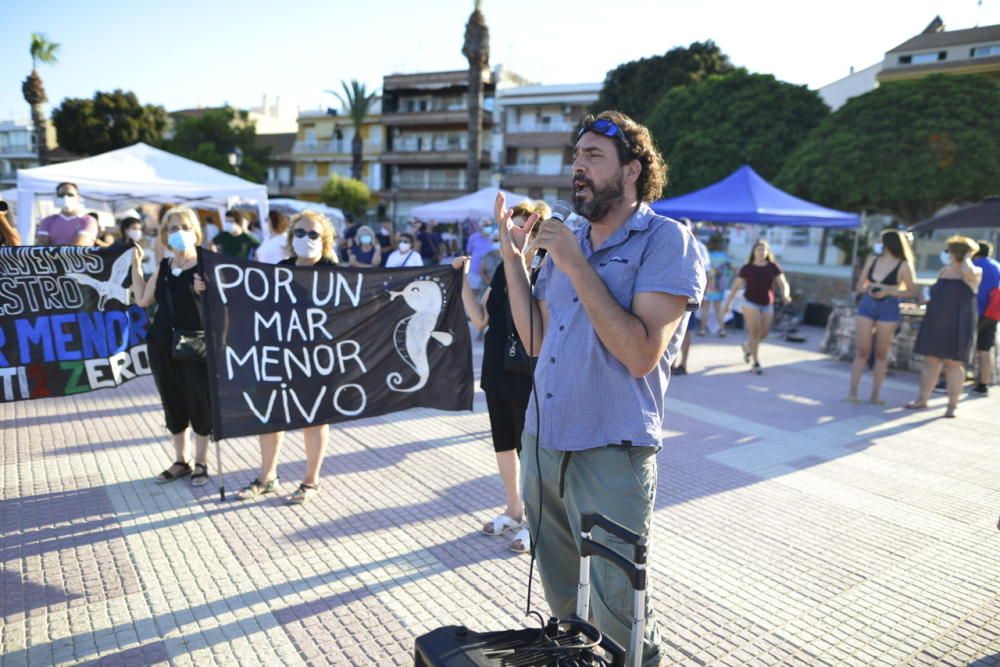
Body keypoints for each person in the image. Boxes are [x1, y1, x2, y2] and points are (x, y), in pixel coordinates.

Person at [502, 111, 705, 666]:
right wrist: (513, 260)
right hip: (544, 442)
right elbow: (536, 339)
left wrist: (574, 262)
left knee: (620, 609)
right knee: (565, 604)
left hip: (612, 450)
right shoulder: (568, 237)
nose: (578, 169)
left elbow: (640, 354)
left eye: (593, 157)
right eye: (577, 158)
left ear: (632, 170)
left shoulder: (667, 243)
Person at [454, 199, 550, 554]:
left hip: (530, 371)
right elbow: (480, 319)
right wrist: (462, 282)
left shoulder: (547, 273)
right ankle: (514, 510)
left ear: (540, 234)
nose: (521, 234)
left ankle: (538, 522)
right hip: (497, 365)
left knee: (531, 450)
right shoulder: (501, 270)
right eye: (515, 227)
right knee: (504, 444)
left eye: (529, 228)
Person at [230, 211, 339, 503]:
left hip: (316, 359)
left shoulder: (336, 274)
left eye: (313, 234)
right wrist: (210, 288)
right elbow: (253, 303)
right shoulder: (280, 270)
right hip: (279, 356)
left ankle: (310, 481)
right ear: (290, 239)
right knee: (271, 418)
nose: (306, 239)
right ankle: (267, 478)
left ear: (325, 240)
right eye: (300, 233)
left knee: (314, 420)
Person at [129, 206, 212, 486]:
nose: (179, 233)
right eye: (173, 228)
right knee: (172, 402)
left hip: (195, 346)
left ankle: (201, 462)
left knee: (199, 402)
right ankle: (181, 461)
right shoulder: (164, 266)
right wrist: (136, 266)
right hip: (162, 344)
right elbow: (142, 300)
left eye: (185, 228)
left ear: (196, 233)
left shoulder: (206, 265)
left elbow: (228, 304)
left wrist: (208, 291)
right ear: (165, 235)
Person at [906, 236, 982, 418]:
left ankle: (952, 407)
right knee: (930, 363)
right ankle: (922, 400)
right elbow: (934, 294)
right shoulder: (944, 271)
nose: (946, 253)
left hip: (958, 324)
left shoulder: (973, 272)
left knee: (953, 365)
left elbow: (969, 272)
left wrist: (967, 257)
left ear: (956, 252)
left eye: (949, 250)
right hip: (935, 322)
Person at [848, 230, 917, 404]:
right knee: (862, 351)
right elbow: (859, 286)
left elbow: (911, 291)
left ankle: (875, 395)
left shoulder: (903, 265)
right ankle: (853, 392)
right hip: (867, 304)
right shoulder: (872, 260)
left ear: (889, 243)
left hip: (888, 307)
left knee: (881, 353)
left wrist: (888, 291)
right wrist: (869, 289)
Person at [722, 240, 790, 374]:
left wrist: (786, 294)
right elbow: (736, 286)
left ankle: (748, 347)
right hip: (750, 302)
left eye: (763, 250)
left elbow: (783, 283)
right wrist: (727, 303)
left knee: (764, 333)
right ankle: (755, 362)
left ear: (767, 252)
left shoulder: (772, 266)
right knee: (754, 332)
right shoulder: (747, 268)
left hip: (767, 303)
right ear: (753, 251)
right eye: (758, 249)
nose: (761, 252)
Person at [673, 222, 710, 375]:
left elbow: (705, 272)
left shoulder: (698, 246)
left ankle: (683, 363)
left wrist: (702, 295)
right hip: (670, 294)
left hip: (688, 295)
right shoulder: (668, 242)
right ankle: (671, 363)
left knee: (685, 331)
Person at [971, 240, 1000, 395]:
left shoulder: (974, 266)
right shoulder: (996, 266)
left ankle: (949, 380)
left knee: (964, 346)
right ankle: (983, 385)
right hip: (993, 312)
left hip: (976, 311)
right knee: (985, 349)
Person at [35, 182, 97, 246]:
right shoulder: (47, 221)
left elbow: (79, 245)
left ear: (78, 197)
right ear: (57, 197)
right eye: (61, 195)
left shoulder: (89, 220)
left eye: (70, 195)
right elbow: (41, 245)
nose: (65, 198)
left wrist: (55, 249)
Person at [698, 234, 732, 336]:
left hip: (707, 284)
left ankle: (702, 330)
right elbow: (730, 271)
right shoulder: (725, 256)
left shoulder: (706, 254)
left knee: (705, 309)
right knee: (718, 309)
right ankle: (722, 330)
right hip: (719, 286)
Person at [465, 219, 495, 295]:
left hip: (489, 273)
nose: (488, 227)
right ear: (480, 227)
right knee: (473, 293)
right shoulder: (473, 237)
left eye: (489, 225)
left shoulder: (494, 238)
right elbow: (469, 253)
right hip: (474, 271)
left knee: (488, 294)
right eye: (486, 225)